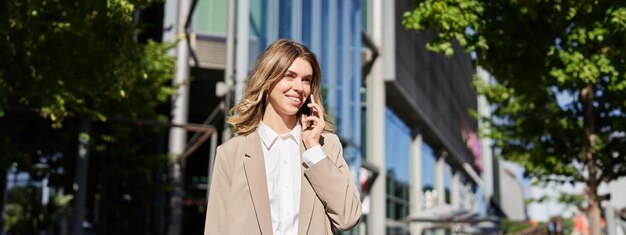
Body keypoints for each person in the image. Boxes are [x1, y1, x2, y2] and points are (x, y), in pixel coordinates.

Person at [204, 39, 362, 235]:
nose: (299, 87)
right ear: (267, 79)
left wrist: (313, 149)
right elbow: (216, 227)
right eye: (290, 76)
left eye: (306, 80)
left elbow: (349, 217)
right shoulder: (231, 153)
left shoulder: (326, 146)